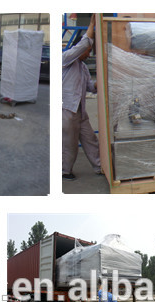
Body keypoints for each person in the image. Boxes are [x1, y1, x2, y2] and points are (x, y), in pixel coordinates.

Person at [62, 15, 101, 180]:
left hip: (81, 111)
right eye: (88, 51)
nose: (89, 54)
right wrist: (91, 24)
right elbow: (84, 44)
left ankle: (100, 167)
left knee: (90, 139)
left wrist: (100, 82)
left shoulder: (83, 68)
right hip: (67, 110)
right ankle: (65, 171)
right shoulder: (66, 59)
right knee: (69, 144)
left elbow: (90, 87)